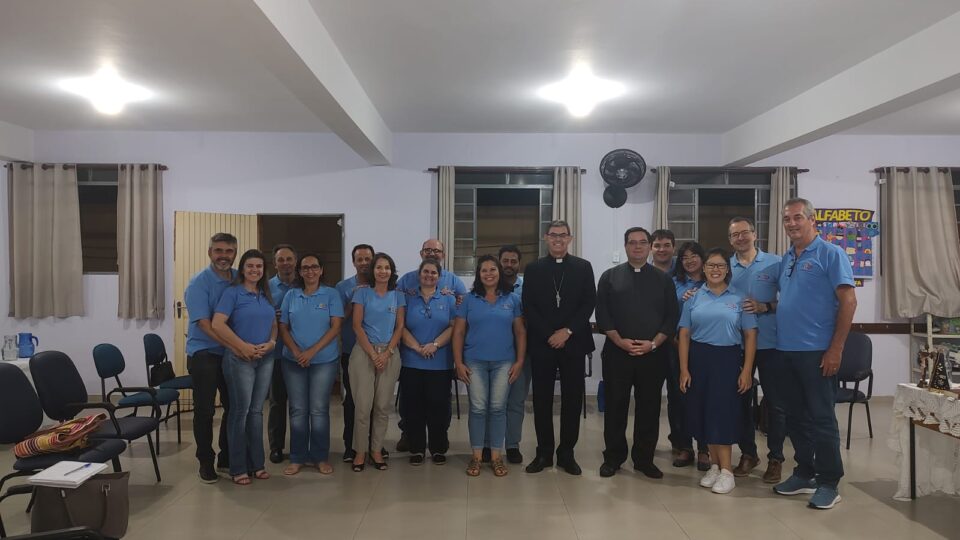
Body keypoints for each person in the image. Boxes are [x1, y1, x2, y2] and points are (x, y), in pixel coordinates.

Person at [773, 198, 856, 510]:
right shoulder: (787, 258)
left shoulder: (831, 253)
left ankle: (829, 481)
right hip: (786, 351)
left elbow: (848, 301)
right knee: (794, 418)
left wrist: (836, 349)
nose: (791, 224)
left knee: (821, 419)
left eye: (797, 218)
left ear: (811, 220)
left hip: (817, 352)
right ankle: (804, 472)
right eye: (786, 219)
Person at [596, 227, 679, 479]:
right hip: (617, 353)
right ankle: (613, 458)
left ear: (649, 246)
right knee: (615, 407)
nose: (638, 247)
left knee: (649, 408)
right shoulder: (609, 277)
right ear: (625, 247)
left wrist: (653, 344)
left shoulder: (663, 279)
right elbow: (603, 314)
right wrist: (619, 341)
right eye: (632, 243)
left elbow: (671, 316)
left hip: (653, 355)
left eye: (643, 242)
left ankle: (644, 460)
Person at [678, 247, 758, 495]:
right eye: (711, 265)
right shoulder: (693, 296)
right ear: (703, 269)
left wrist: (746, 371)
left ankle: (727, 471)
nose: (715, 269)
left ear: (727, 270)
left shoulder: (740, 297)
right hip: (699, 359)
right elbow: (683, 334)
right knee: (703, 412)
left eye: (720, 265)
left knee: (721, 413)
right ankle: (714, 465)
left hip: (727, 358)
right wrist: (683, 369)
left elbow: (750, 335)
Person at [522, 220, 596, 475]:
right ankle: (544, 453)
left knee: (572, 400)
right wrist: (549, 334)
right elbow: (528, 306)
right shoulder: (533, 269)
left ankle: (567, 453)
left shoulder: (583, 267)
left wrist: (567, 331)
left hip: (573, 343)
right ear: (546, 238)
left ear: (570, 239)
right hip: (543, 344)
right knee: (541, 400)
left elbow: (589, 303)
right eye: (553, 235)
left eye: (562, 236)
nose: (558, 240)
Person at [453, 255, 526, 477]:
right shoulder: (468, 300)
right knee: (477, 408)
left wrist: (520, 361)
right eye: (484, 270)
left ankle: (496, 457)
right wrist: (458, 362)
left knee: (497, 408)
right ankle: (476, 457)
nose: (488, 274)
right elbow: (458, 332)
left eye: (492, 269)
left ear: (499, 272)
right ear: (478, 274)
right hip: (474, 361)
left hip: (504, 362)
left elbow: (520, 332)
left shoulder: (512, 299)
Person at [727, 217, 786, 483]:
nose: (740, 238)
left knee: (775, 403)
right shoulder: (725, 267)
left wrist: (766, 307)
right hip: (737, 344)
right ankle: (748, 454)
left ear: (755, 234)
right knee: (740, 403)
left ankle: (776, 458)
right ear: (730, 240)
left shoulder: (776, 262)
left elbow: (791, 299)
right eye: (734, 235)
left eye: (744, 233)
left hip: (772, 344)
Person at [212, 249, 278, 486]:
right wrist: (243, 347)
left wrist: (271, 343)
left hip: (264, 359)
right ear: (242, 269)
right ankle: (238, 467)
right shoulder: (232, 293)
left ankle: (257, 464)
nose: (255, 270)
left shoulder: (265, 294)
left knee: (257, 412)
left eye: (259, 266)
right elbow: (218, 325)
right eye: (250, 266)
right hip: (240, 359)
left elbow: (273, 323)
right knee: (240, 412)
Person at [395, 239, 466, 453]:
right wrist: (416, 347)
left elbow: (462, 311)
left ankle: (438, 446)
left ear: (443, 255)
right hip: (411, 356)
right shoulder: (406, 282)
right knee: (410, 406)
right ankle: (410, 439)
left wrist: (435, 344)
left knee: (439, 406)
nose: (432, 253)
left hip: (441, 358)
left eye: (437, 250)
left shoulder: (453, 283)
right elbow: (398, 318)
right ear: (421, 253)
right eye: (428, 250)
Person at [278, 253, 344, 475]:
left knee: (318, 410)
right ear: (299, 271)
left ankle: (319, 457)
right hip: (292, 360)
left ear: (321, 270)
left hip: (324, 361)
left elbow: (335, 327)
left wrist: (312, 352)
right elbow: (283, 327)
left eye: (314, 267)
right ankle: (297, 456)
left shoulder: (332, 294)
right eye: (305, 267)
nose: (310, 271)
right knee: (297, 410)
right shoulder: (291, 295)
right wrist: (297, 352)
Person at [184, 232, 237, 483]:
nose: (223, 256)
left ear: (234, 254)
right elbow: (205, 325)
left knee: (233, 407)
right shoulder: (198, 283)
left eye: (228, 251)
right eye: (219, 251)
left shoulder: (239, 278)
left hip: (231, 354)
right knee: (205, 411)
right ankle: (205, 461)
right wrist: (235, 345)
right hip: (204, 353)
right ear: (210, 253)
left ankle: (227, 456)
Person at [349, 252, 406, 471]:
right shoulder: (362, 294)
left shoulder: (397, 296)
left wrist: (387, 352)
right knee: (363, 407)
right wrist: (373, 355)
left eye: (387, 268)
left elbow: (400, 327)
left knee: (382, 406)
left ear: (392, 271)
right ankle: (360, 452)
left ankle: (376, 450)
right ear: (372, 270)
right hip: (364, 353)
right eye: (379, 267)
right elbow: (356, 325)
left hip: (389, 354)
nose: (383, 271)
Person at [335, 244, 387, 462]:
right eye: (360, 259)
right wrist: (353, 302)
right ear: (353, 261)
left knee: (378, 401)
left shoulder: (383, 286)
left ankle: (375, 446)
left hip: (381, 353)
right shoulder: (343, 287)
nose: (364, 263)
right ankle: (353, 446)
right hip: (353, 351)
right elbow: (338, 320)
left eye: (368, 259)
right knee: (354, 401)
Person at [480, 245, 529, 464]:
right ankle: (490, 445)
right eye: (505, 261)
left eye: (513, 261)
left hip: (520, 353)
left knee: (515, 402)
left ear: (519, 264)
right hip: (493, 353)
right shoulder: (486, 290)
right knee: (492, 402)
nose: (509, 265)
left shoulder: (527, 288)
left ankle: (512, 445)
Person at [671, 241, 710, 470]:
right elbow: (666, 312)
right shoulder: (673, 282)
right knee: (680, 398)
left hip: (705, 346)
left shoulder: (713, 280)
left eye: (694, 255)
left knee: (704, 398)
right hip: (677, 345)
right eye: (685, 257)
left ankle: (704, 449)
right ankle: (685, 446)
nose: (690, 260)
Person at [267, 244, 297, 464]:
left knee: (299, 404)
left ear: (295, 261)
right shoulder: (266, 288)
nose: (285, 263)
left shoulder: (306, 284)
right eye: (281, 260)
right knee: (277, 403)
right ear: (274, 263)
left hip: (301, 353)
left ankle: (299, 446)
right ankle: (276, 447)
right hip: (277, 354)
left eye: (289, 259)